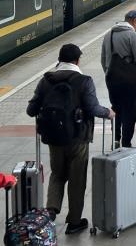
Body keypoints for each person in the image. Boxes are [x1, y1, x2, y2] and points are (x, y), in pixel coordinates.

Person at [27, 44, 114, 234]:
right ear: (77, 60)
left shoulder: (45, 81)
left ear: (59, 60)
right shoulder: (84, 81)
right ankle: (74, 221)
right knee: (77, 179)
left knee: (57, 174)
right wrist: (108, 112)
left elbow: (30, 110)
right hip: (78, 138)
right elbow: (93, 108)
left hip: (53, 138)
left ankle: (51, 211)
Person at [100, 10, 136, 148]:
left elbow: (103, 59)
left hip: (111, 79)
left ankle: (116, 139)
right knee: (130, 112)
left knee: (116, 109)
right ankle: (126, 143)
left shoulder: (108, 35)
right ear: (135, 20)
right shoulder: (132, 35)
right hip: (128, 80)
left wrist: (109, 73)